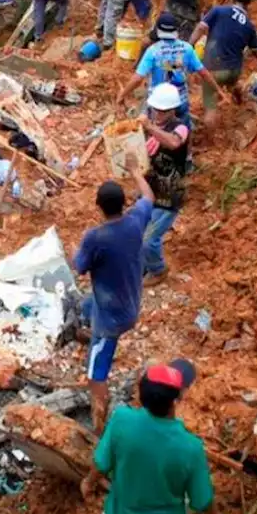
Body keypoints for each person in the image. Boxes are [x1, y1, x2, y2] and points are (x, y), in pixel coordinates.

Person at [73, 157, 154, 433]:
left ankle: (99, 425)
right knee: (84, 305)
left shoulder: (95, 237)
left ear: (98, 206)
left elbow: (80, 267)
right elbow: (148, 196)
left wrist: (81, 247)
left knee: (96, 372)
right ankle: (84, 328)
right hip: (130, 302)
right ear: (123, 204)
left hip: (111, 321)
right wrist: (133, 170)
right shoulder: (134, 222)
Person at [81, 363, 217, 514]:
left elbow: (101, 464)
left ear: (142, 395)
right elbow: (203, 500)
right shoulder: (191, 447)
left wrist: (88, 483)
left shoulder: (121, 420)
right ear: (176, 399)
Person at [117, 13, 228, 129]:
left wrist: (122, 95)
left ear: (158, 29)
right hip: (180, 100)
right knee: (184, 130)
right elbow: (204, 73)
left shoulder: (153, 51)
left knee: (153, 130)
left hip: (158, 104)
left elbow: (138, 79)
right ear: (176, 30)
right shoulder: (187, 49)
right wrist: (219, 91)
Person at [191, 0, 257, 125]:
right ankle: (239, 101)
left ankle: (212, 137)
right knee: (231, 82)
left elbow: (200, 28)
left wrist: (189, 45)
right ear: (248, 5)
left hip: (215, 70)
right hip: (234, 71)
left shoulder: (218, 11)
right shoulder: (250, 26)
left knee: (210, 107)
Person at [140, 84, 191, 284]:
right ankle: (144, 266)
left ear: (172, 110)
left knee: (149, 239)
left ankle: (158, 270)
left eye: (163, 111)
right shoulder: (153, 125)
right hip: (149, 190)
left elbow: (173, 143)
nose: (158, 114)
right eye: (156, 110)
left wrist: (150, 127)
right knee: (139, 231)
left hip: (168, 194)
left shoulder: (180, 127)